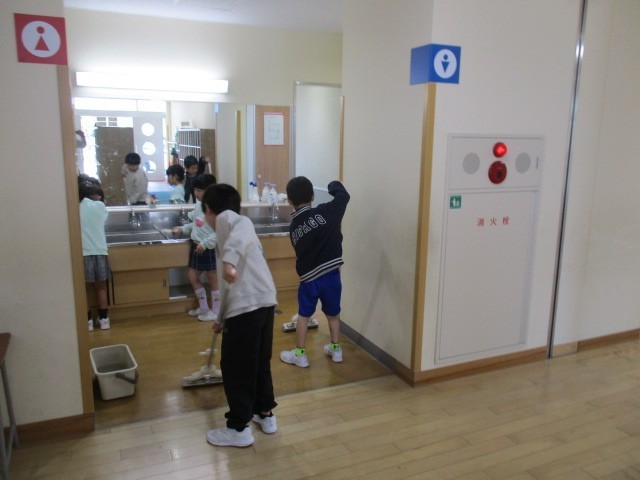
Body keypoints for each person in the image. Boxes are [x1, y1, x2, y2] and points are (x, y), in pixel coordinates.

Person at [201, 183, 278, 448]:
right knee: (258, 361)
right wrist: (221, 319)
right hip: (263, 301)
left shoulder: (228, 219)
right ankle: (264, 413)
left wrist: (229, 261)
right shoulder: (231, 230)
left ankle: (238, 428)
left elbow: (243, 226)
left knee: (236, 368)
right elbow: (227, 287)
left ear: (209, 210)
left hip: (246, 308)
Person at [280, 177, 350, 368]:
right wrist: (333, 184)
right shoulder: (327, 211)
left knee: (303, 316)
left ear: (289, 201)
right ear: (312, 196)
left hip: (309, 279)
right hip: (332, 274)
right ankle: (336, 349)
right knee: (333, 314)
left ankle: (300, 354)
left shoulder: (294, 228)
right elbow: (344, 196)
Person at [172, 174, 220, 321]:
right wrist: (182, 229)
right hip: (197, 246)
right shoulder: (199, 205)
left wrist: (204, 244)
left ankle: (216, 311)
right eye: (195, 190)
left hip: (209, 248)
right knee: (192, 277)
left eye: (199, 190)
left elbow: (219, 232)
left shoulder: (215, 207)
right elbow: (196, 224)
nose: (195, 193)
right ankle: (204, 307)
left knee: (213, 280)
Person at [79, 177, 111, 331]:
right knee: (101, 287)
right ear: (97, 195)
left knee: (84, 288)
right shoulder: (100, 206)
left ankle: (88, 322)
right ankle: (104, 320)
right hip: (100, 251)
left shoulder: (77, 207)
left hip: (84, 251)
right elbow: (103, 219)